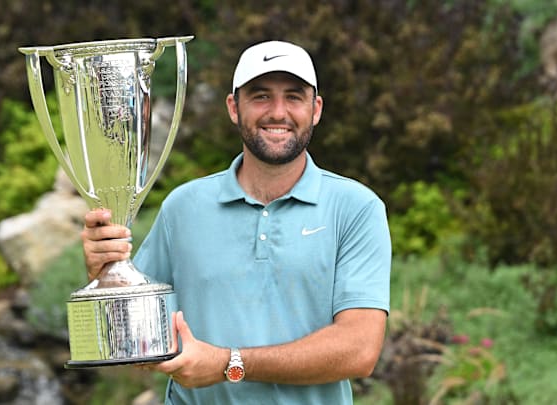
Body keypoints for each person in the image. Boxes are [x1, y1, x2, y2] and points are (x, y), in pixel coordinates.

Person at [81, 40, 392, 404]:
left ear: (316, 109)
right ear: (233, 107)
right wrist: (105, 273)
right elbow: (135, 336)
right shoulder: (184, 207)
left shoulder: (355, 208)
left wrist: (231, 364)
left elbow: (359, 349)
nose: (278, 112)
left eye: (293, 97)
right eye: (260, 96)